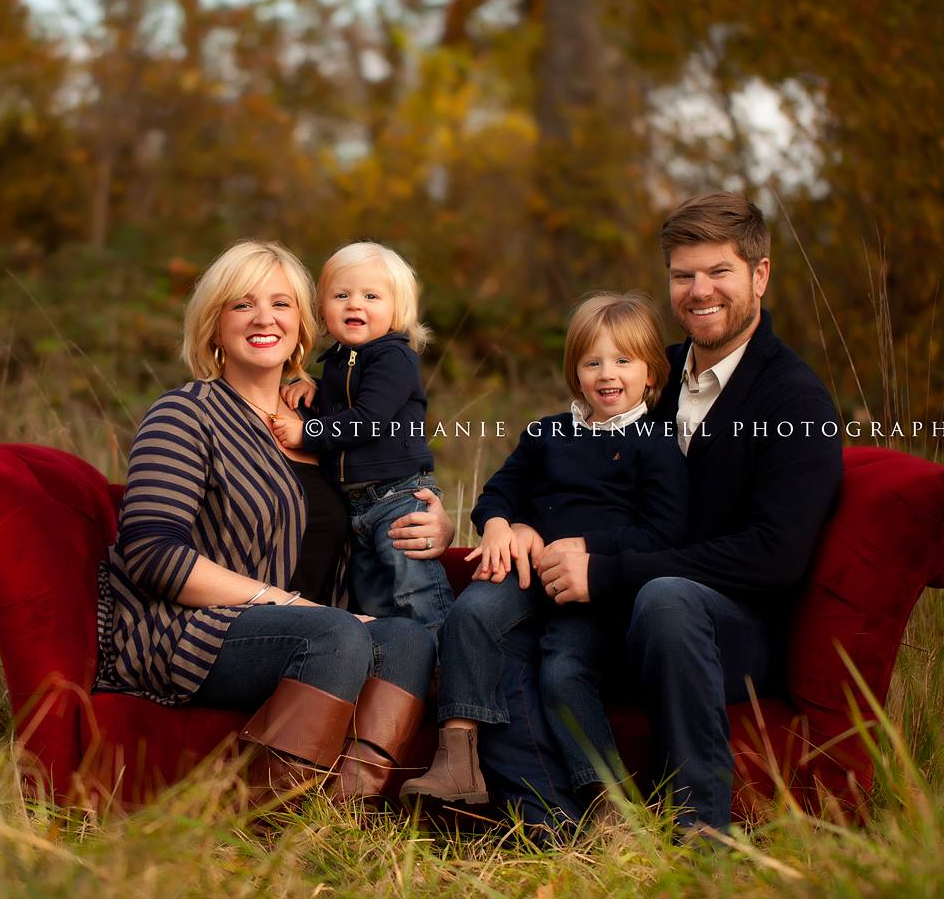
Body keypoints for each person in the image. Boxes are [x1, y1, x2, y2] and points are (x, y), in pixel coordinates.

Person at [518, 192, 844, 834]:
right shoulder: (649, 378)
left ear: (759, 275)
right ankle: (550, 819)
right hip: (624, 610)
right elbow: (565, 471)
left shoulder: (794, 399)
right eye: (682, 275)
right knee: (510, 616)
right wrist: (519, 521)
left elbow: (773, 556)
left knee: (669, 598)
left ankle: (701, 833)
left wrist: (608, 571)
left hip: (732, 630)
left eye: (719, 272)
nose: (700, 291)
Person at [93, 240, 455, 804]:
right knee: (335, 631)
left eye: (282, 304)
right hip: (195, 631)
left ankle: (345, 815)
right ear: (214, 325)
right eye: (242, 305)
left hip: (322, 635)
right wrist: (288, 605)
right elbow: (151, 553)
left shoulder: (325, 427)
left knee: (407, 638)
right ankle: (268, 820)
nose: (265, 318)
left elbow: (390, 485)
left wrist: (433, 522)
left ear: (304, 325)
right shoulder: (185, 414)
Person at [400, 292, 688, 810]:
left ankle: (609, 802)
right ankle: (457, 760)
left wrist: (586, 546)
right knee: (472, 612)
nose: (607, 374)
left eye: (623, 361)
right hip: (529, 575)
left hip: (593, 592)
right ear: (574, 372)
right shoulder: (549, 433)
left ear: (651, 373)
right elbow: (499, 491)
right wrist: (498, 526)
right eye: (592, 361)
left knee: (562, 669)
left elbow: (663, 532)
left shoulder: (659, 443)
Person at [273, 242, 451, 634]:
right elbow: (350, 398)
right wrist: (316, 389)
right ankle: (395, 672)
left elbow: (369, 418)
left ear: (396, 310)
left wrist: (310, 431)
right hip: (357, 504)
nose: (355, 304)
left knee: (414, 593)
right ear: (322, 310)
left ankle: (442, 666)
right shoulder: (338, 361)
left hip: (398, 497)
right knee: (373, 600)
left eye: (371, 296)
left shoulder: (395, 358)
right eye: (342, 295)